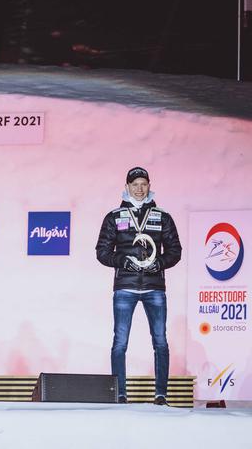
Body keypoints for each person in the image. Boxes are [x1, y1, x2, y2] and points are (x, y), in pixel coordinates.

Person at [95, 166, 181, 406]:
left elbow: (175, 251)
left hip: (155, 287)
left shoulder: (162, 216)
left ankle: (161, 395)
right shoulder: (114, 216)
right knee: (120, 342)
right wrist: (122, 261)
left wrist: (160, 263)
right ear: (127, 188)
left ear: (149, 186)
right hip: (125, 285)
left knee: (160, 341)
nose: (140, 189)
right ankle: (120, 394)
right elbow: (101, 252)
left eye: (143, 184)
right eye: (135, 185)